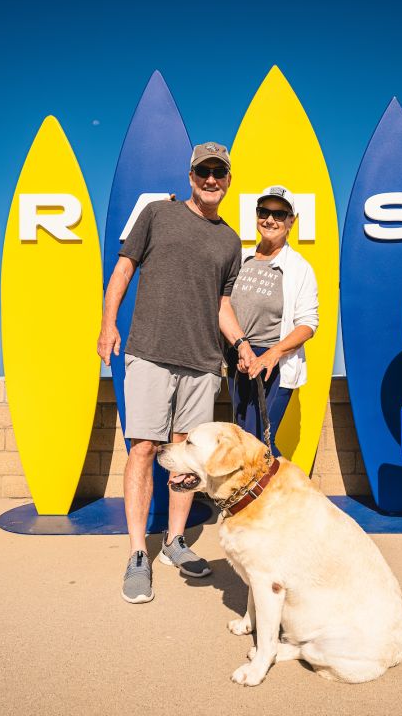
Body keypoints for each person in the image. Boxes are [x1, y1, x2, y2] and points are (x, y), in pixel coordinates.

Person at [96, 142, 256, 604]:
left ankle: (174, 543)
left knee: (186, 457)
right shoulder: (158, 215)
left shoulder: (230, 240)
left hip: (204, 362)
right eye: (203, 171)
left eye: (219, 173)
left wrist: (241, 344)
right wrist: (108, 324)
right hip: (149, 352)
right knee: (144, 448)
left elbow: (222, 304)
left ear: (228, 179)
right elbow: (123, 269)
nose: (211, 180)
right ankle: (136, 555)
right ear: (191, 175)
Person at [226, 185, 318, 457]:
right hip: (239, 358)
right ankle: (252, 499)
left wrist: (272, 355)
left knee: (261, 442)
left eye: (279, 214)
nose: (270, 220)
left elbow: (308, 324)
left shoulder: (299, 268)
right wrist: (240, 349)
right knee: (243, 437)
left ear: (292, 220)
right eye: (264, 212)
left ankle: (287, 494)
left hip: (273, 362)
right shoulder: (240, 259)